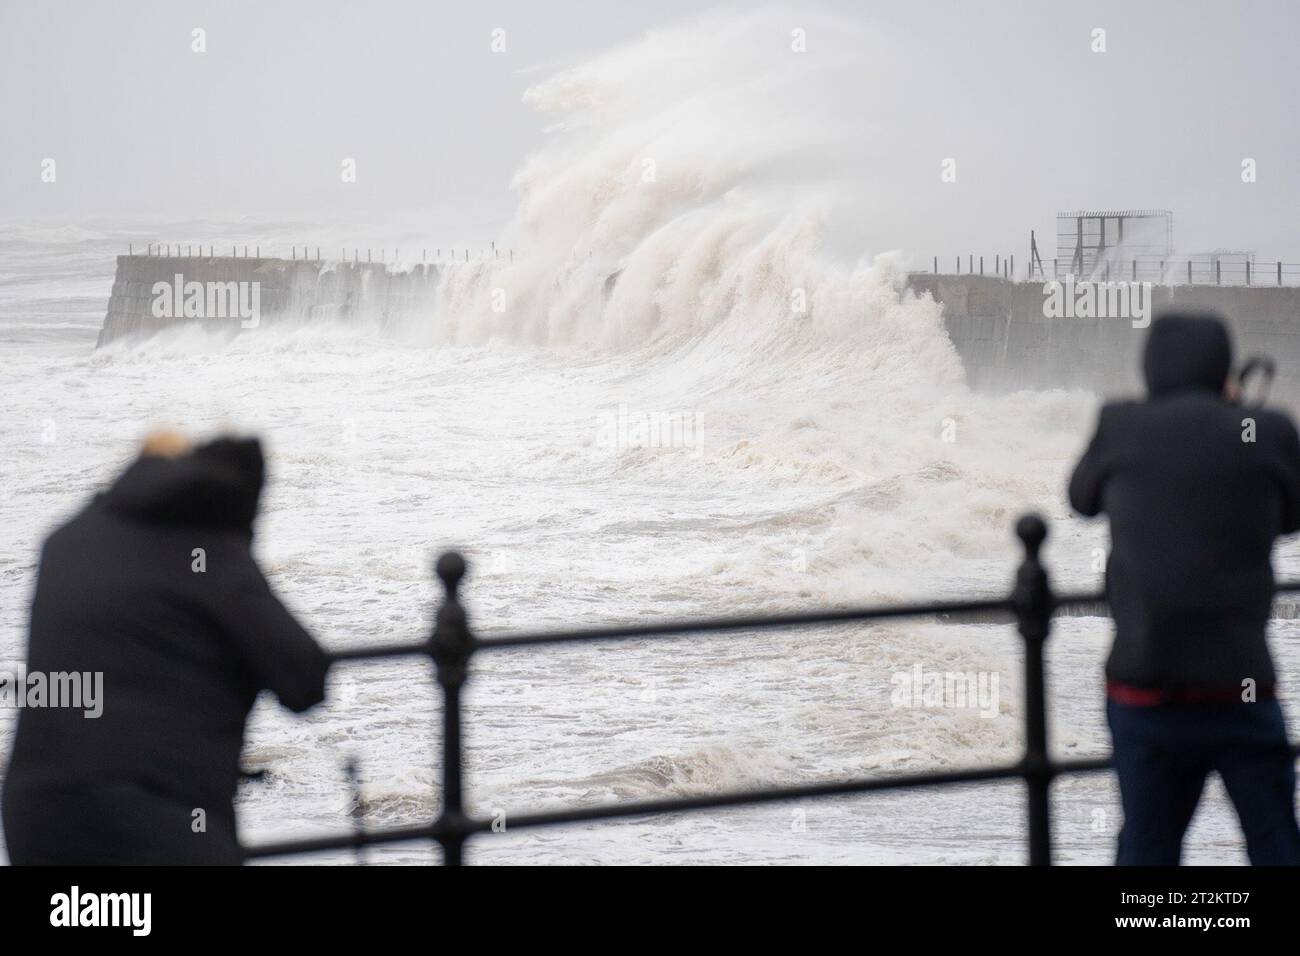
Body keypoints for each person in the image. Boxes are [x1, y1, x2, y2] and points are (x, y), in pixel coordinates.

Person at [2, 432, 329, 864]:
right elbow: (304, 679)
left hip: (35, 817)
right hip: (153, 821)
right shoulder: (209, 548)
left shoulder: (66, 537)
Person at [1069, 311, 1300, 865]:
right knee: (1274, 842)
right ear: (1224, 368)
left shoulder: (1122, 424)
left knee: (1148, 844)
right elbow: (1292, 516)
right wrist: (1235, 413)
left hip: (1146, 685)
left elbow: (1081, 497)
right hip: (1239, 686)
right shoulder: (1265, 431)